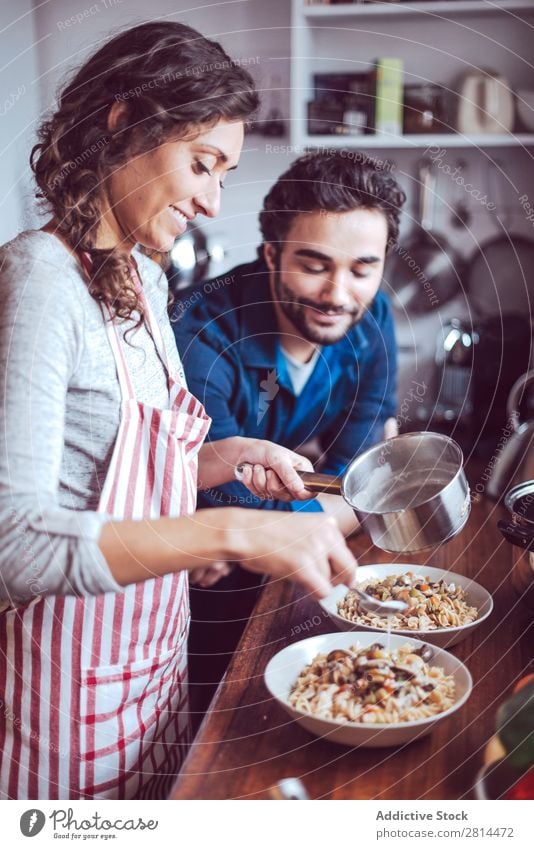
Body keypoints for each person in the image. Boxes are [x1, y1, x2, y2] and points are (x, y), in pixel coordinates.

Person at [0, 22, 357, 801]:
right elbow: (14, 542)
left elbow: (101, 471)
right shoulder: (40, 281)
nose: (211, 198)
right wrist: (229, 526)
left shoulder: (145, 280)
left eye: (223, 173)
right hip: (72, 706)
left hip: (156, 672)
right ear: (125, 123)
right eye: (202, 165)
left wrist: (219, 460)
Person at [172, 151, 405, 699]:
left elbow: (365, 471)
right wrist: (242, 531)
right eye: (315, 264)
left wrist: (246, 535)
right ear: (272, 254)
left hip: (235, 560)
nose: (339, 295)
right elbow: (218, 493)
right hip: (190, 580)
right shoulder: (200, 333)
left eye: (362, 269)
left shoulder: (372, 320)